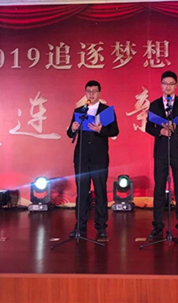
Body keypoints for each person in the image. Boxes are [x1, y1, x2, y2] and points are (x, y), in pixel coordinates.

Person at [66, 80, 119, 238]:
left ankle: (101, 226)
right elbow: (70, 133)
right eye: (89, 91)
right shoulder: (80, 111)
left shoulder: (106, 111)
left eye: (94, 91)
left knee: (100, 190)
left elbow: (115, 131)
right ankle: (80, 226)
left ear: (99, 93)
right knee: (82, 192)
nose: (91, 94)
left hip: (99, 157)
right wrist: (73, 128)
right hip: (82, 157)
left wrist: (101, 129)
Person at [145, 71, 178, 240]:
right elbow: (148, 127)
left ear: (176, 86)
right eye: (165, 83)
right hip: (161, 151)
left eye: (171, 84)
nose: (168, 86)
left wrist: (175, 128)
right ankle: (157, 226)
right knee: (159, 189)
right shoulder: (155, 105)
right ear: (161, 85)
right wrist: (161, 132)